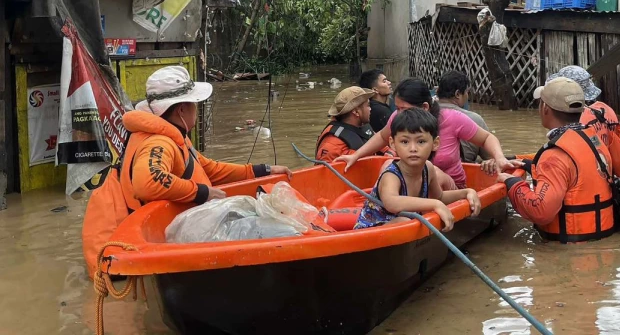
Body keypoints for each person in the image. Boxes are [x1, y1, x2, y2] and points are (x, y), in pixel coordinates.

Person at [82, 66, 292, 276]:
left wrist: (264, 170)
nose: (197, 110)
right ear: (181, 110)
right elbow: (148, 183)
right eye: (194, 105)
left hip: (123, 247)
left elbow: (209, 169)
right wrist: (202, 192)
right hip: (119, 253)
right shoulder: (159, 142)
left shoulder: (174, 136)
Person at [336, 78, 521, 190]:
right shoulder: (400, 117)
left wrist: (499, 157)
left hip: (448, 189)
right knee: (387, 165)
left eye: (403, 108)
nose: (399, 114)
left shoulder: (451, 118)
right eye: (397, 108)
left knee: (432, 170)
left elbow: (487, 137)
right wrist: (356, 156)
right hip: (414, 187)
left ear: (425, 107)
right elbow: (382, 137)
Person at [498, 77, 615, 243]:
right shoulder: (595, 140)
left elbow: (540, 210)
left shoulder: (554, 156)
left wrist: (512, 182)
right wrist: (528, 165)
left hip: (567, 252)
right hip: (600, 240)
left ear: (545, 108)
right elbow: (576, 176)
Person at [354, 108, 481, 229]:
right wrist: (435, 204)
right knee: (404, 221)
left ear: (435, 144)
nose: (413, 148)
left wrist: (466, 192)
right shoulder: (391, 175)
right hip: (373, 229)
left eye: (421, 142)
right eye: (405, 142)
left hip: (406, 225)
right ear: (392, 143)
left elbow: (439, 197)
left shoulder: (428, 168)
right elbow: (391, 202)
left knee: (412, 219)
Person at [547, 65, 620, 178]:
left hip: (585, 181)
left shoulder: (572, 119)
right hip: (606, 177)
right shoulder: (605, 110)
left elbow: (559, 158)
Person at [436, 70, 491, 162]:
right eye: (466, 92)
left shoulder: (424, 115)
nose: (467, 96)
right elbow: (489, 156)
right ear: (458, 94)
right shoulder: (473, 118)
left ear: (437, 91)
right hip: (464, 170)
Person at [316, 86, 381, 163]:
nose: (370, 109)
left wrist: (389, 152)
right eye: (368, 105)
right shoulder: (332, 145)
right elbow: (324, 173)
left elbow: (382, 145)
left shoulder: (363, 127)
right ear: (356, 112)